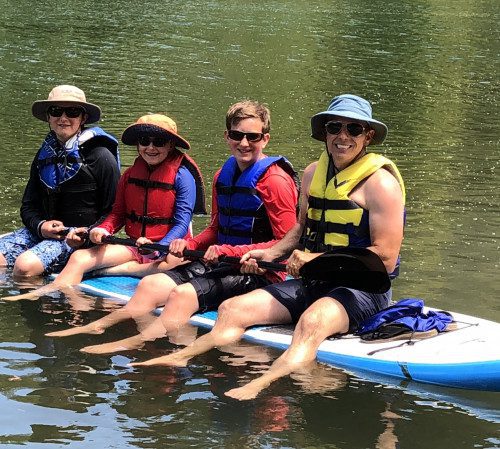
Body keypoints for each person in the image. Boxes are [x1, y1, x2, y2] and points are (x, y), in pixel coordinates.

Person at [130, 94, 406, 402]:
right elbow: (300, 229)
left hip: (363, 289)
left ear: (367, 135)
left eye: (353, 129)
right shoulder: (314, 173)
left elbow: (385, 255)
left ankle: (264, 381)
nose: (342, 136)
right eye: (335, 127)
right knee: (232, 309)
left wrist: (315, 257)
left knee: (311, 322)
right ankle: (179, 357)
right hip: (316, 281)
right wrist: (272, 253)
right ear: (325, 132)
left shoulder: (381, 184)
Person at [45, 100, 299, 351]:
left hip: (260, 272)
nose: (243, 143)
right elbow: (214, 229)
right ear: (227, 136)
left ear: (264, 139)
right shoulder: (223, 174)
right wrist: (189, 244)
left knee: (181, 295)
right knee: (150, 285)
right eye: (237, 135)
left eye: (252, 137)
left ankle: (137, 341)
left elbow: (286, 243)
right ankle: (100, 325)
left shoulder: (275, 181)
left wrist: (227, 252)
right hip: (222, 260)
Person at [5, 113, 206, 301]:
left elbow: (182, 223)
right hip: (135, 245)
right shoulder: (129, 175)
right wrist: (102, 229)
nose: (150, 148)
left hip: (165, 249)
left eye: (159, 142)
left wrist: (158, 248)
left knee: (167, 265)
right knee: (79, 258)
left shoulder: (183, 176)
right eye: (145, 141)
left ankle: (124, 270)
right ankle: (64, 299)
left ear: (171, 145)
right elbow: (117, 213)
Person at [0, 85, 120, 277]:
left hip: (80, 237)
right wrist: (41, 226)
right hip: (43, 231)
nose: (63, 118)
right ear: (48, 117)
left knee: (24, 266)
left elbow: (115, 210)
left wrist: (89, 234)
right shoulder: (43, 154)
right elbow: (28, 206)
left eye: (72, 112)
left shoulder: (101, 156)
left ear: (83, 118)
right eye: (56, 111)